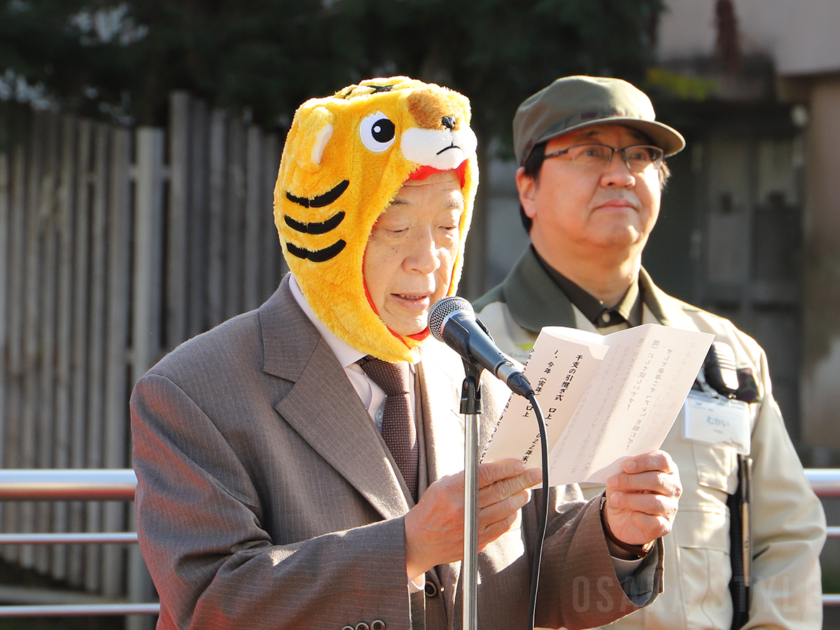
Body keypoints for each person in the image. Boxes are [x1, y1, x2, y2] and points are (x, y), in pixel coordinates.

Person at [131, 76, 682, 630]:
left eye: (448, 225)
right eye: (395, 227)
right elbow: (211, 603)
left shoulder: (480, 370)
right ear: (330, 231)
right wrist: (407, 548)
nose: (429, 259)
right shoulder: (191, 390)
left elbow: (543, 573)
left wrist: (619, 532)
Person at [475, 75, 827, 629]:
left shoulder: (725, 353)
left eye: (640, 155)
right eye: (591, 152)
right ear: (528, 189)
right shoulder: (471, 351)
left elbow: (787, 536)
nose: (620, 173)